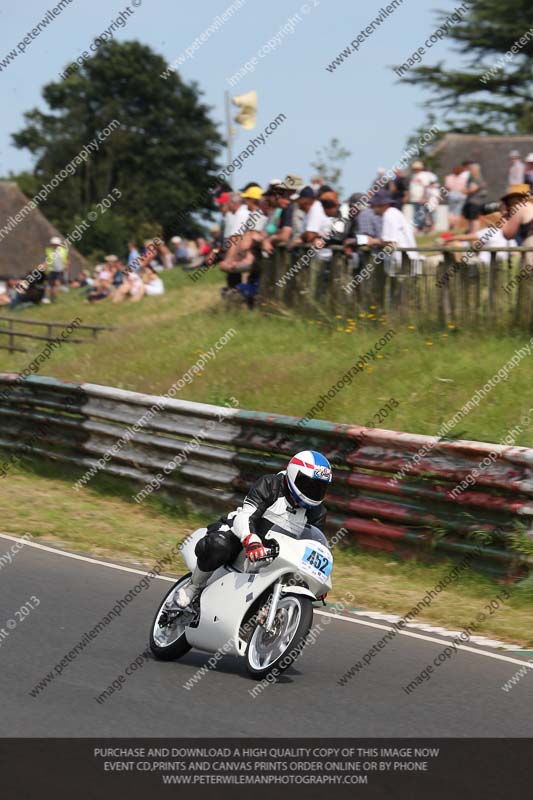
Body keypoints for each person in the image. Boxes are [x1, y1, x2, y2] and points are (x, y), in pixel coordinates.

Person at [173, 450, 332, 609]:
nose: (313, 492)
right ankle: (194, 586)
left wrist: (319, 579)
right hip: (242, 534)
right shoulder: (271, 485)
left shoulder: (317, 512)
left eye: (319, 487)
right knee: (219, 545)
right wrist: (251, 539)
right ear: (293, 475)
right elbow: (246, 515)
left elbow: (314, 546)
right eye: (309, 485)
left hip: (276, 550)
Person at [368, 189, 422, 275]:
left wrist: (373, 241)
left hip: (403, 265)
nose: (372, 207)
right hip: (406, 263)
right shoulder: (393, 213)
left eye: (374, 204)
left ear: (383, 205)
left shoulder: (389, 215)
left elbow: (392, 244)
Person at [408, 161, 435, 232]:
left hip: (421, 198)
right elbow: (412, 187)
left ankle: (425, 228)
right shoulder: (414, 176)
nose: (415, 169)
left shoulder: (424, 175)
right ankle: (419, 228)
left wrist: (424, 197)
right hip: (414, 198)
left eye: (417, 168)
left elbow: (426, 186)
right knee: (416, 214)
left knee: (424, 213)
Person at [462, 163, 488, 233]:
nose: (470, 171)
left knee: (474, 219)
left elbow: (472, 189)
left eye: (471, 170)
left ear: (475, 170)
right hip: (472, 202)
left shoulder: (477, 179)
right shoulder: (472, 179)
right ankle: (471, 233)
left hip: (475, 202)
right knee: (471, 219)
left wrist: (464, 190)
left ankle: (474, 233)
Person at [45, 236, 69, 301]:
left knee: (57, 283)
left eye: (56, 245)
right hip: (51, 270)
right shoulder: (48, 250)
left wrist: (66, 265)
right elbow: (47, 260)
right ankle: (49, 297)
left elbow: (66, 259)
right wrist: (45, 265)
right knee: (50, 285)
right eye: (53, 245)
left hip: (60, 270)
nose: (54, 246)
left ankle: (54, 298)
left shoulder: (63, 250)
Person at [444, 166, 468, 230]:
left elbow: (447, 187)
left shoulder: (448, 177)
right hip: (461, 195)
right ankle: (455, 226)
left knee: (451, 211)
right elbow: (465, 188)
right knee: (458, 211)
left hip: (452, 195)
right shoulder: (463, 179)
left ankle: (451, 223)